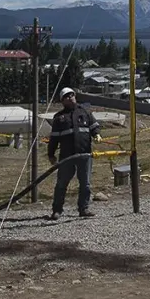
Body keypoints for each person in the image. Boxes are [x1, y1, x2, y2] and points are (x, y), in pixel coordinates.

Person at [46, 87, 101, 220]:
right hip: (67, 156)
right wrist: (51, 154)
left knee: (85, 183)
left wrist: (97, 134)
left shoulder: (85, 112)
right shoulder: (59, 118)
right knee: (61, 184)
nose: (70, 97)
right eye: (66, 96)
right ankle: (57, 210)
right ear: (62, 100)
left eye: (71, 95)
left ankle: (84, 208)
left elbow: (94, 126)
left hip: (85, 154)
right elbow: (54, 139)